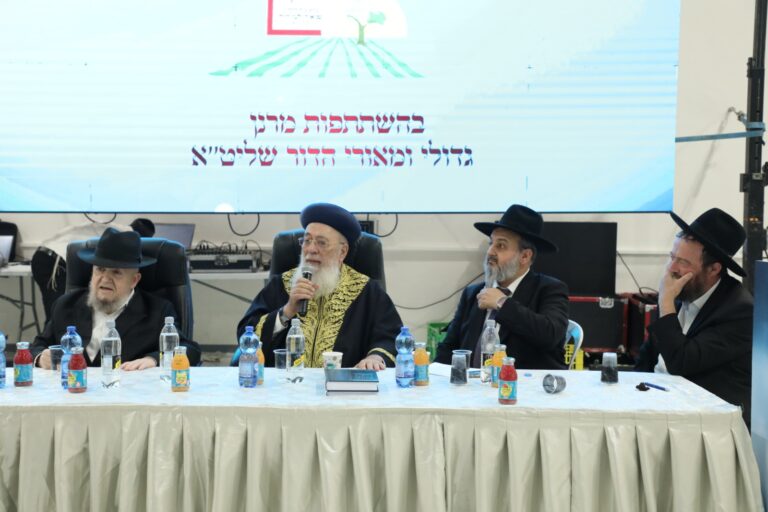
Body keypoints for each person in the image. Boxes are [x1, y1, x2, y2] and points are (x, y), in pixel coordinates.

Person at [237, 203, 401, 370]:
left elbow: (391, 337)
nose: (311, 249)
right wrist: (287, 311)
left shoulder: (367, 291)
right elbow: (246, 336)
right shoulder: (282, 283)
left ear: (342, 252)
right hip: (287, 381)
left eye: (321, 243)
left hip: (343, 384)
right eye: (307, 241)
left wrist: (375, 356)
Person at [635, 208, 753, 426]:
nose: (672, 269)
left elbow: (681, 363)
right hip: (659, 407)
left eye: (683, 262)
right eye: (672, 257)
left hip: (705, 424)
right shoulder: (685, 291)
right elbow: (647, 358)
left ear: (714, 269)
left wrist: (665, 304)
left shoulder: (740, 312)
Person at [31, 227, 201, 369]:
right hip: (75, 392)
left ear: (134, 280)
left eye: (116, 272)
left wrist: (154, 359)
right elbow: (37, 346)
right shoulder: (65, 305)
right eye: (100, 269)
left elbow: (190, 350)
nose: (105, 279)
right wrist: (40, 358)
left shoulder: (158, 311)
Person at [435, 204, 569, 369]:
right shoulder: (472, 293)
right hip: (473, 382)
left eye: (501, 246)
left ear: (525, 256)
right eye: (491, 243)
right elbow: (449, 347)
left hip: (525, 382)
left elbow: (550, 335)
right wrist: (433, 375)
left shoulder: (549, 289)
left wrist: (502, 303)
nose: (490, 252)